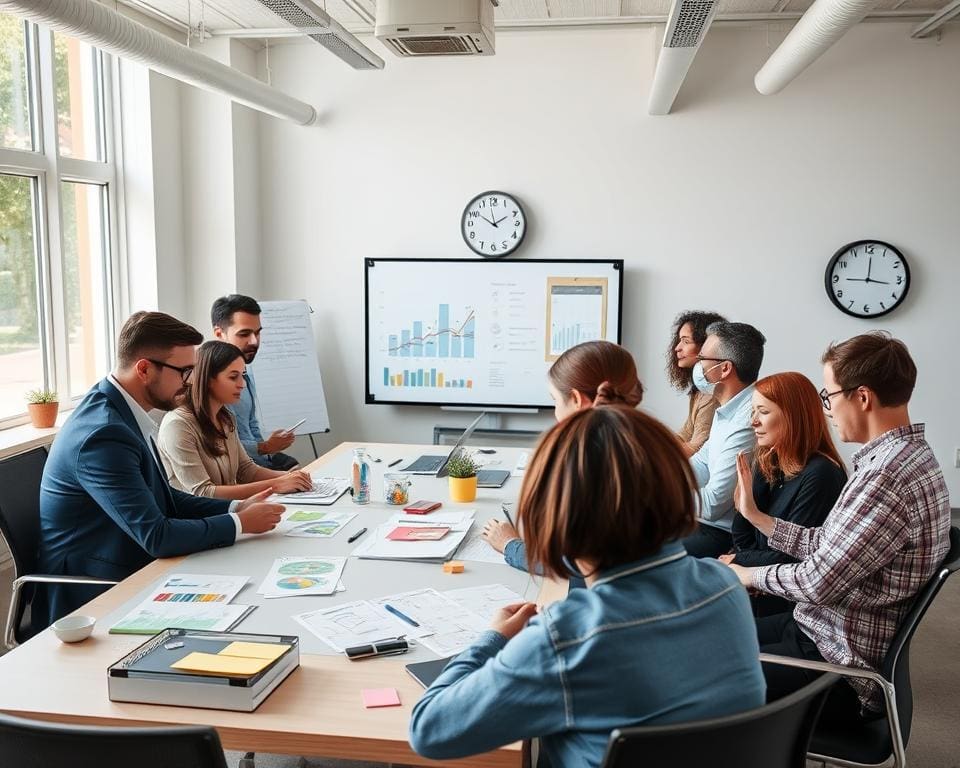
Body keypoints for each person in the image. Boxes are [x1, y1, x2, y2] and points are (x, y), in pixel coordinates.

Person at [409, 407, 765, 768]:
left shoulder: (567, 638)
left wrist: (493, 639)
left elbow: (429, 730)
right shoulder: (724, 587)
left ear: (559, 522)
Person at [726, 332, 951, 724]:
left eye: (828, 396)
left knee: (698, 670)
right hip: (819, 628)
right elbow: (830, 545)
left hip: (837, 664)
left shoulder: (886, 476)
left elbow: (817, 582)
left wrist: (746, 575)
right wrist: (760, 520)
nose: (826, 409)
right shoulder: (910, 458)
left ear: (862, 397)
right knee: (707, 637)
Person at [38, 312, 284, 625]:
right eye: (184, 371)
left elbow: (164, 497)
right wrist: (239, 523)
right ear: (144, 369)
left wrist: (236, 507)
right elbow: (157, 536)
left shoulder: (122, 411)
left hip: (129, 561)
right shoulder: (104, 434)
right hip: (95, 590)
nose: (190, 382)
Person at [481, 340, 643, 570]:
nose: (555, 412)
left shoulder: (588, 465)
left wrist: (509, 544)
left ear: (577, 400)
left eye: (555, 400)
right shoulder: (646, 446)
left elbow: (567, 564)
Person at [721, 372, 847, 615]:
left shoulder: (823, 474)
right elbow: (743, 540)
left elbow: (792, 556)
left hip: (789, 602)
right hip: (757, 582)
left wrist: (739, 564)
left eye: (763, 412)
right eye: (753, 412)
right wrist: (748, 502)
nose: (753, 422)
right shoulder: (770, 458)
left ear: (793, 418)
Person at [157, 341, 314, 500]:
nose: (243, 384)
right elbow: (203, 493)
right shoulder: (177, 426)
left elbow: (246, 470)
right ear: (208, 379)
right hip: (201, 520)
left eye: (242, 375)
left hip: (231, 510)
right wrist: (276, 485)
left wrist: (290, 477)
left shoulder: (226, 419)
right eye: (233, 377)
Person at [680, 321, 766, 559]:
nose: (697, 365)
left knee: (617, 551)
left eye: (702, 358)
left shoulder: (748, 418)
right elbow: (701, 463)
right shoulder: (728, 409)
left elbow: (712, 506)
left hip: (718, 535)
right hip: (699, 524)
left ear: (725, 368)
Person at [211, 294, 299, 471]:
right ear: (219, 333)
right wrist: (266, 447)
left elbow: (252, 426)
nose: (254, 341)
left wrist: (268, 451)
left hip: (257, 461)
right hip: (236, 469)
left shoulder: (246, 375)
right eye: (244, 334)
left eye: (258, 333)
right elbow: (218, 445)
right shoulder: (207, 383)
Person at [667, 310, 726, 456]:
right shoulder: (700, 390)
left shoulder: (712, 394)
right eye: (679, 340)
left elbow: (699, 445)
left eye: (686, 341)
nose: (677, 348)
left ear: (707, 347)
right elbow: (685, 433)